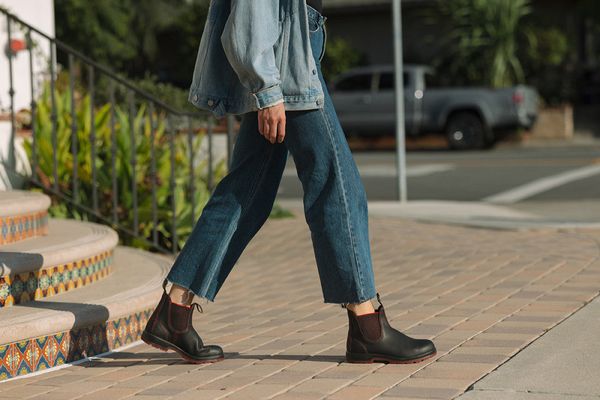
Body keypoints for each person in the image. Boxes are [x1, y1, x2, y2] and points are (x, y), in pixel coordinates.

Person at [141, 0, 437, 365]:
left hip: (290, 47)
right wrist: (267, 90)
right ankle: (367, 325)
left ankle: (175, 311)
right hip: (285, 56)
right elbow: (251, 11)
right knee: (336, 182)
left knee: (246, 194)